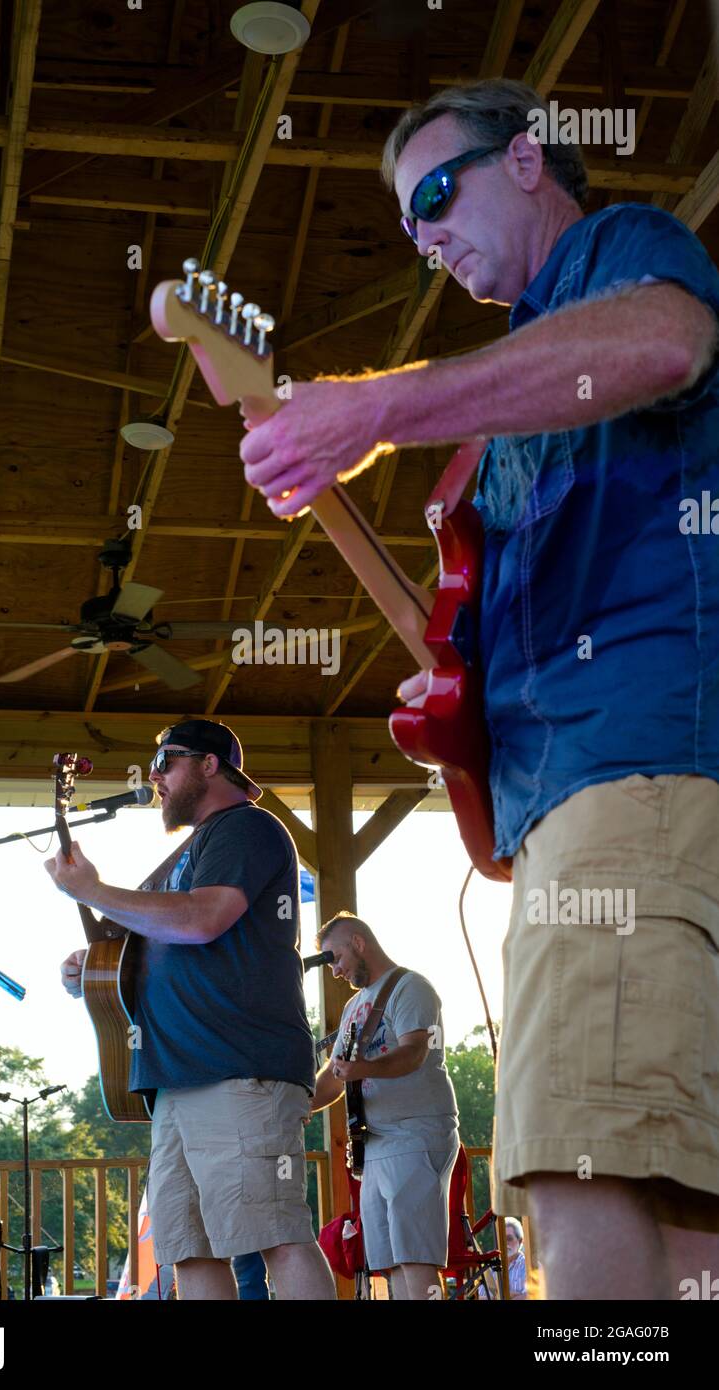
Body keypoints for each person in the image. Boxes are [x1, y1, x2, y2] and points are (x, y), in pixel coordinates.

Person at [239, 77, 719, 1301]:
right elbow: (468, 661)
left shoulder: (615, 251)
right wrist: (447, 701)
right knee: (668, 1177)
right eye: (405, 224)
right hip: (598, 790)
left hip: (633, 771)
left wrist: (380, 406)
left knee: (583, 1163)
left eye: (436, 192)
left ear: (529, 160)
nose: (424, 234)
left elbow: (663, 339)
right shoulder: (497, 432)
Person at [47, 718, 335, 1301]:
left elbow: (204, 919)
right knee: (189, 1251)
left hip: (238, 1068)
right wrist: (102, 968)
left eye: (168, 761)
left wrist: (95, 892)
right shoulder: (192, 852)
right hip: (179, 1080)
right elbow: (170, 937)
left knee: (277, 1234)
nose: (154, 775)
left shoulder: (245, 828)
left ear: (211, 765)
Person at [310, 912, 459, 1301]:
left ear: (359, 942)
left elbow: (413, 1053)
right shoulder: (354, 1008)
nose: (335, 971)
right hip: (374, 1144)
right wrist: (292, 1107)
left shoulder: (411, 988)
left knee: (415, 1258)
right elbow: (331, 1077)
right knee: (389, 1262)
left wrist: (362, 1067)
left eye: (335, 957)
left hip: (415, 1130)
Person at [478, 1217, 528, 1300]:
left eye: (509, 1239)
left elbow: (532, 1296)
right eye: (501, 1239)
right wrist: (509, 1296)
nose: (505, 1243)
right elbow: (480, 1297)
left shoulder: (529, 1265)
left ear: (520, 1241)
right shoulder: (489, 1266)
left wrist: (497, 1297)